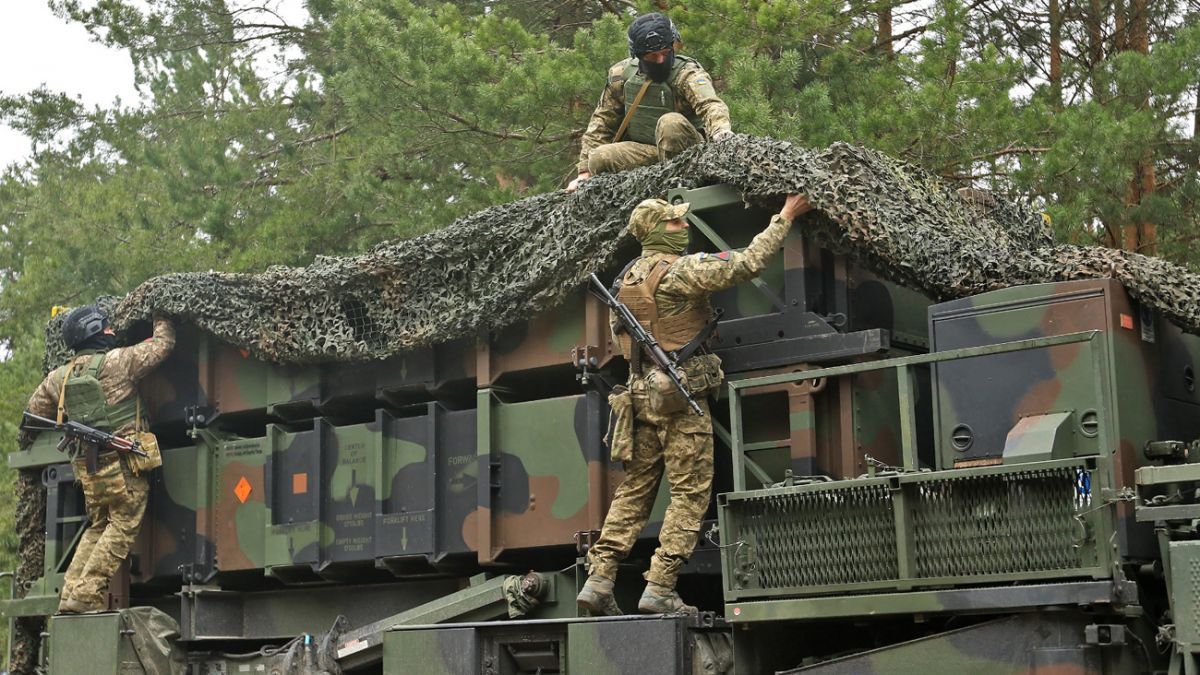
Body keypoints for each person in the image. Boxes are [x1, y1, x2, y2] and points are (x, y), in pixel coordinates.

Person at [577, 193, 812, 615]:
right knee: (689, 493)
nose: (684, 227)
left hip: (639, 396)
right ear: (654, 231)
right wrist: (785, 217)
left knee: (633, 491)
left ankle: (599, 579)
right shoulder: (680, 271)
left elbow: (622, 340)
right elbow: (747, 263)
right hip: (679, 399)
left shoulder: (625, 278)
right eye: (674, 223)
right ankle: (661, 586)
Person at [26, 305, 175, 614]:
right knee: (121, 525)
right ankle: (87, 593)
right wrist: (162, 312)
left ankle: (70, 592)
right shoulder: (118, 362)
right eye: (106, 327)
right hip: (125, 464)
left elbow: (33, 412)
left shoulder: (58, 378)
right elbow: (163, 344)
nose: (111, 331)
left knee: (97, 526)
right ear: (95, 331)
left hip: (90, 467)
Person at [566, 13, 733, 193]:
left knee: (670, 123)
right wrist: (583, 172)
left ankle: (678, 187)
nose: (660, 60)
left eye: (665, 53)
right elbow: (601, 122)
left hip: (689, 153)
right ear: (638, 56)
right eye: (653, 57)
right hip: (648, 152)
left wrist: (721, 131)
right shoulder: (621, 77)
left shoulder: (687, 74)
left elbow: (710, 105)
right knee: (599, 157)